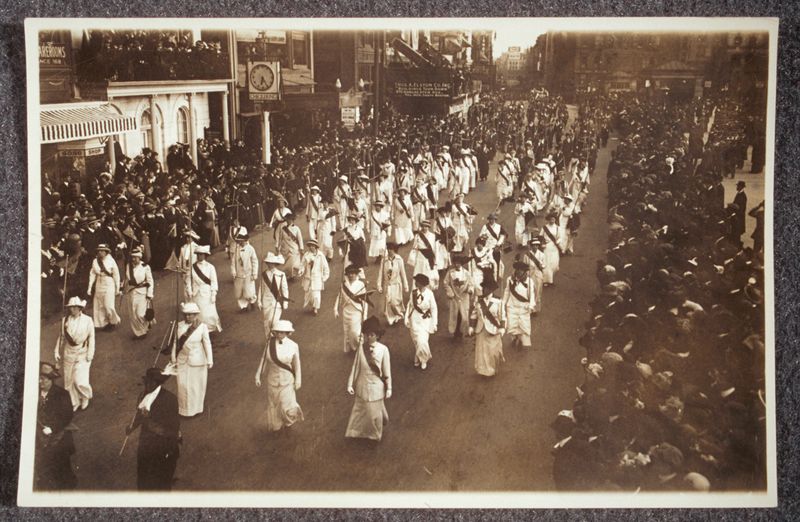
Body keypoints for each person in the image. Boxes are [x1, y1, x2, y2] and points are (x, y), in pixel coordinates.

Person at [125, 367, 181, 490]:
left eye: (150, 383)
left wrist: (151, 420)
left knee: (161, 476)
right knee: (144, 473)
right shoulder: (143, 396)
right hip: (146, 441)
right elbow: (138, 415)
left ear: (157, 383)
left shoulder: (170, 399)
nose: (147, 386)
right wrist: (132, 427)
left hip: (163, 444)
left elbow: (173, 426)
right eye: (146, 382)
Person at [345, 316, 392, 442]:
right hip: (362, 383)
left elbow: (387, 371)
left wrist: (389, 388)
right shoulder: (361, 348)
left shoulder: (383, 350)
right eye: (367, 334)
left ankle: (375, 436)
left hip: (377, 385)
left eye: (372, 334)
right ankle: (355, 432)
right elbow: (355, 366)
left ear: (377, 335)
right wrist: (350, 384)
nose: (369, 337)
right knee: (359, 411)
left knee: (373, 414)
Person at [255, 319, 304, 432]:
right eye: (278, 332)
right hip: (272, 381)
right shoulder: (269, 344)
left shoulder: (293, 345)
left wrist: (298, 380)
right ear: (275, 332)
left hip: (287, 381)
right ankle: (277, 425)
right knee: (274, 404)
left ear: (288, 333)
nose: (281, 334)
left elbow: (297, 364)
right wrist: (258, 375)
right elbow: (263, 360)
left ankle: (288, 421)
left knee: (286, 405)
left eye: (284, 332)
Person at [35, 362, 77, 490]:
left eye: (43, 379)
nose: (39, 382)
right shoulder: (33, 392)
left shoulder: (62, 394)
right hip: (41, 438)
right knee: (43, 462)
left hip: (60, 437)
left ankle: (67, 485)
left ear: (51, 380)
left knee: (62, 463)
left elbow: (67, 415)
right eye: (38, 378)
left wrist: (52, 428)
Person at [171, 302, 213, 417]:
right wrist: (173, 358)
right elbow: (175, 343)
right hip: (182, 360)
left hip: (197, 361)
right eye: (186, 314)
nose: (188, 317)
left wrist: (210, 360)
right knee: (182, 385)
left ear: (196, 315)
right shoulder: (178, 326)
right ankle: (184, 409)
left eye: (191, 314)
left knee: (195, 386)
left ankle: (196, 409)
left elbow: (207, 343)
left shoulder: (202, 327)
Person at [54, 296, 95, 411]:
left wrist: (90, 354)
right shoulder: (65, 321)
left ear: (80, 308)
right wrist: (56, 350)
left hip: (82, 352)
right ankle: (74, 401)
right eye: (70, 307)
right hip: (69, 352)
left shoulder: (88, 320)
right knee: (68, 381)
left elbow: (91, 338)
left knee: (79, 380)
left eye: (74, 307)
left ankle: (85, 396)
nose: (72, 310)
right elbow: (61, 337)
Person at [470, 279, 506, 377]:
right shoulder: (479, 301)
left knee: (492, 351)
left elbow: (502, 316)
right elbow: (474, 314)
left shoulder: (498, 301)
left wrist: (502, 328)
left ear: (491, 290)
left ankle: (494, 367)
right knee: (482, 350)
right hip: (481, 329)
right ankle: (483, 370)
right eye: (484, 288)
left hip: (494, 329)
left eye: (487, 288)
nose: (484, 290)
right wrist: (471, 326)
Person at [404, 273, 438, 370]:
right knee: (416, 341)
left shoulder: (429, 294)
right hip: (414, 320)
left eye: (417, 282)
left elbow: (434, 308)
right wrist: (406, 318)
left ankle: (423, 360)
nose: (415, 283)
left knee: (422, 341)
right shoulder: (413, 293)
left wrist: (434, 323)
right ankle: (418, 356)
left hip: (426, 320)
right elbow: (410, 306)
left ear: (422, 284)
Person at [334, 264, 369, 353]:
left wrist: (365, 315)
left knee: (354, 332)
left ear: (357, 274)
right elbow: (339, 297)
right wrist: (335, 309)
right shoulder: (344, 285)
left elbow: (365, 300)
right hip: (346, 311)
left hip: (356, 311)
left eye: (353, 273)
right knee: (347, 331)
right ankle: (349, 347)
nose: (351, 275)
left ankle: (358, 345)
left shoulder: (361, 284)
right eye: (349, 273)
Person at [188, 245, 222, 333]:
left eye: (202, 254)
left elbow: (214, 281)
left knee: (207, 314)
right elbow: (188, 280)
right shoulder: (192, 268)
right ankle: (199, 331)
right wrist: (189, 290)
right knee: (198, 314)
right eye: (198, 254)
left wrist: (213, 294)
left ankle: (208, 330)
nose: (200, 256)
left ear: (205, 255)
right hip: (196, 294)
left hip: (207, 293)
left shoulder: (210, 267)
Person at [502, 261, 536, 349]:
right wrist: (503, 303)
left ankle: (522, 341)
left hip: (524, 308)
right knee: (512, 325)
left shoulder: (529, 281)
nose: (519, 272)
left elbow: (532, 294)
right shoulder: (510, 279)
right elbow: (507, 292)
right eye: (518, 270)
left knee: (523, 327)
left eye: (522, 270)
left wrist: (531, 305)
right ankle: (515, 338)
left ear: (525, 271)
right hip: (512, 307)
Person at [87, 243, 121, 330]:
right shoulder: (95, 261)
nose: (100, 252)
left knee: (108, 304)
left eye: (102, 251)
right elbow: (92, 274)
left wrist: (118, 288)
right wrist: (90, 287)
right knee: (100, 304)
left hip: (109, 282)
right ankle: (105, 323)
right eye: (99, 251)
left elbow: (116, 274)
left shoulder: (111, 260)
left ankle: (113, 321)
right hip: (99, 282)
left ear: (106, 252)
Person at [257, 252, 288, 339]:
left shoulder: (281, 274)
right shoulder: (264, 274)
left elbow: (285, 289)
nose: (269, 264)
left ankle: (277, 338)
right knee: (267, 323)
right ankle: (268, 339)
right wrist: (259, 300)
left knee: (274, 321)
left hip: (277, 301)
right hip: (266, 301)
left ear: (275, 263)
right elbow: (261, 288)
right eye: (268, 262)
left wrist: (285, 302)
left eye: (271, 262)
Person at [377, 241, 408, 326]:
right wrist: (379, 285)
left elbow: (403, 273)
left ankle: (398, 315)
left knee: (396, 302)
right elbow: (380, 273)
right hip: (388, 285)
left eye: (391, 249)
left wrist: (406, 285)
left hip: (396, 285)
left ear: (395, 250)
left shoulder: (399, 259)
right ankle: (391, 318)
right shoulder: (384, 260)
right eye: (388, 249)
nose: (389, 251)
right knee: (389, 302)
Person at [126, 247, 155, 340]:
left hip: (142, 293)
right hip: (131, 292)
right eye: (132, 257)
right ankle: (139, 332)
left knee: (140, 314)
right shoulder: (128, 266)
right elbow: (127, 279)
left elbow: (150, 281)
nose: (133, 259)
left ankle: (145, 326)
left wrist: (150, 294)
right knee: (133, 314)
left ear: (139, 257)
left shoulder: (145, 267)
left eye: (135, 257)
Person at [443, 254, 474, 338]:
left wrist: (470, 290)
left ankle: (461, 329)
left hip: (464, 297)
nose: (457, 264)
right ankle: (456, 331)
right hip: (454, 297)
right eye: (456, 263)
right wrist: (450, 292)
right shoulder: (450, 272)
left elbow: (471, 284)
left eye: (459, 263)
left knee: (464, 316)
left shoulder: (466, 273)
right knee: (455, 315)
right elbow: (446, 283)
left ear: (462, 263)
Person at [230, 227, 259, 312]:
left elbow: (254, 261)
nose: (240, 242)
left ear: (245, 240)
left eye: (241, 241)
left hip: (248, 273)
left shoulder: (250, 249)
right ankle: (243, 306)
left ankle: (252, 302)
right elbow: (233, 262)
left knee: (249, 290)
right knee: (240, 291)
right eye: (239, 241)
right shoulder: (236, 250)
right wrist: (233, 271)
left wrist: (254, 273)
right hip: (239, 274)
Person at [298, 239, 329, 316]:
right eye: (310, 246)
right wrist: (301, 271)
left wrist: (324, 278)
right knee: (309, 295)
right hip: (308, 278)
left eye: (313, 246)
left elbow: (326, 267)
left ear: (316, 247)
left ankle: (315, 309)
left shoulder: (321, 256)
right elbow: (302, 265)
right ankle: (313, 305)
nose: (311, 247)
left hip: (317, 278)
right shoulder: (306, 255)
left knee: (316, 295)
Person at [409, 219, 439, 290]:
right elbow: (414, 248)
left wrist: (436, 261)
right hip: (420, 258)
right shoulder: (418, 236)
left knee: (428, 275)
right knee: (418, 274)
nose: (425, 228)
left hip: (429, 258)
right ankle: (416, 292)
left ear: (429, 227)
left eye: (426, 226)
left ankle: (427, 292)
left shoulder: (433, 236)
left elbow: (436, 249)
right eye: (423, 226)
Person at [278, 212, 304, 280]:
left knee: (294, 264)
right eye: (287, 219)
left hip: (294, 248)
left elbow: (300, 239)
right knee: (288, 265)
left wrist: (301, 248)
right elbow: (281, 239)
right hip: (286, 249)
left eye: (289, 219)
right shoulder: (283, 229)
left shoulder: (296, 228)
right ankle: (290, 275)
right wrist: (279, 247)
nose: (288, 221)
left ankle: (294, 273)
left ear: (292, 220)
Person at [540, 212, 561, 286]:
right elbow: (540, 236)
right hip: (547, 247)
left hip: (554, 247)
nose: (552, 221)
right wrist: (542, 243)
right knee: (547, 264)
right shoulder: (544, 228)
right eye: (551, 219)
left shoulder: (558, 228)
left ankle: (550, 277)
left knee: (555, 264)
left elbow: (560, 237)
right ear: (548, 220)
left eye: (553, 219)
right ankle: (546, 281)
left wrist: (558, 242)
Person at [178, 230, 199, 301]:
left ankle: (194, 304)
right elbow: (180, 259)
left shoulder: (196, 247)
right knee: (186, 289)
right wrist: (180, 269)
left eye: (189, 237)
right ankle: (188, 304)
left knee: (194, 288)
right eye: (186, 237)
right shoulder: (183, 248)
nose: (187, 239)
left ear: (192, 238)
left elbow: (198, 260)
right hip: (185, 270)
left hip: (194, 270)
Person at [732, 180, 748, 246]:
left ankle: (737, 245)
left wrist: (733, 206)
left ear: (741, 187)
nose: (737, 187)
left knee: (736, 233)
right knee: (735, 233)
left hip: (738, 218)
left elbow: (740, 208)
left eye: (738, 186)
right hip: (737, 217)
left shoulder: (743, 196)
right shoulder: (739, 194)